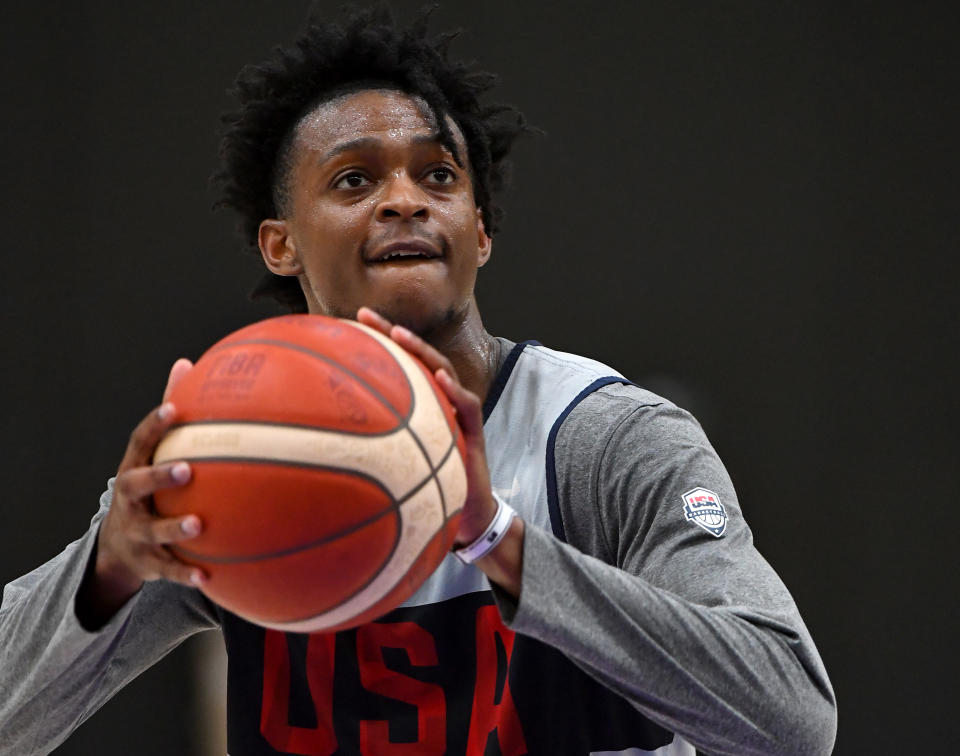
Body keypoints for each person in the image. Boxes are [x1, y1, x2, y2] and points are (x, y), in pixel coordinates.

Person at [0, 6, 836, 755]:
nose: (405, 200)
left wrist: (501, 545)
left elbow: (793, 720)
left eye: (439, 176)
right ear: (280, 244)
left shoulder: (604, 439)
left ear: (480, 231)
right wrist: (108, 569)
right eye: (354, 179)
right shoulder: (230, 455)